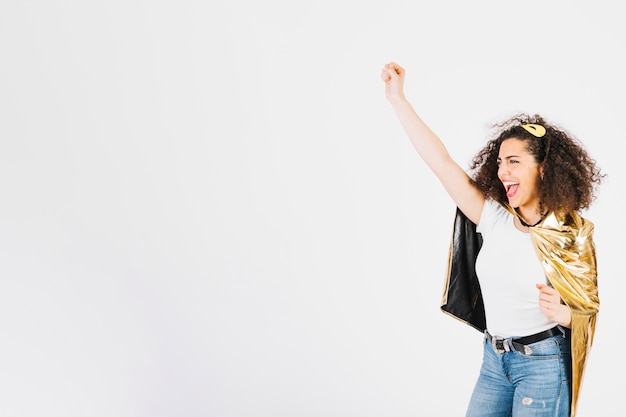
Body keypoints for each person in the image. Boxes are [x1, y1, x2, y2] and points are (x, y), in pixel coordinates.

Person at [381, 62, 603, 417]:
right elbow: (441, 162)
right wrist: (398, 99)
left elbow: (588, 309)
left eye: (513, 162)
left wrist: (565, 314)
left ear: (543, 169)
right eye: (499, 162)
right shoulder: (494, 217)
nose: (502, 172)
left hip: (543, 365)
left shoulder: (571, 234)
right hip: (494, 361)